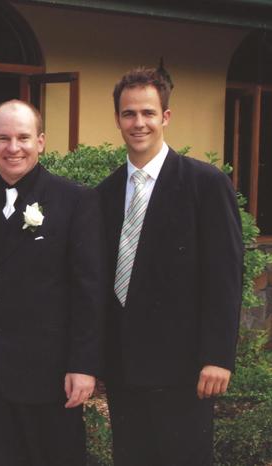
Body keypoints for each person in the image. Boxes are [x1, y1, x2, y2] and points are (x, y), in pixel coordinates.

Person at [97, 67, 243, 466]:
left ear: (166, 116)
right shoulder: (105, 193)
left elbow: (225, 276)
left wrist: (218, 355)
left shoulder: (206, 184)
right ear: (118, 120)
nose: (138, 123)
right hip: (124, 368)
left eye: (148, 112)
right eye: (129, 114)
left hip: (185, 369)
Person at [0, 100, 105, 466]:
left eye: (23, 137)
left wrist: (83, 365)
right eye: (3, 138)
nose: (13, 147)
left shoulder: (75, 200)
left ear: (40, 142)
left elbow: (90, 289)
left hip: (50, 375)